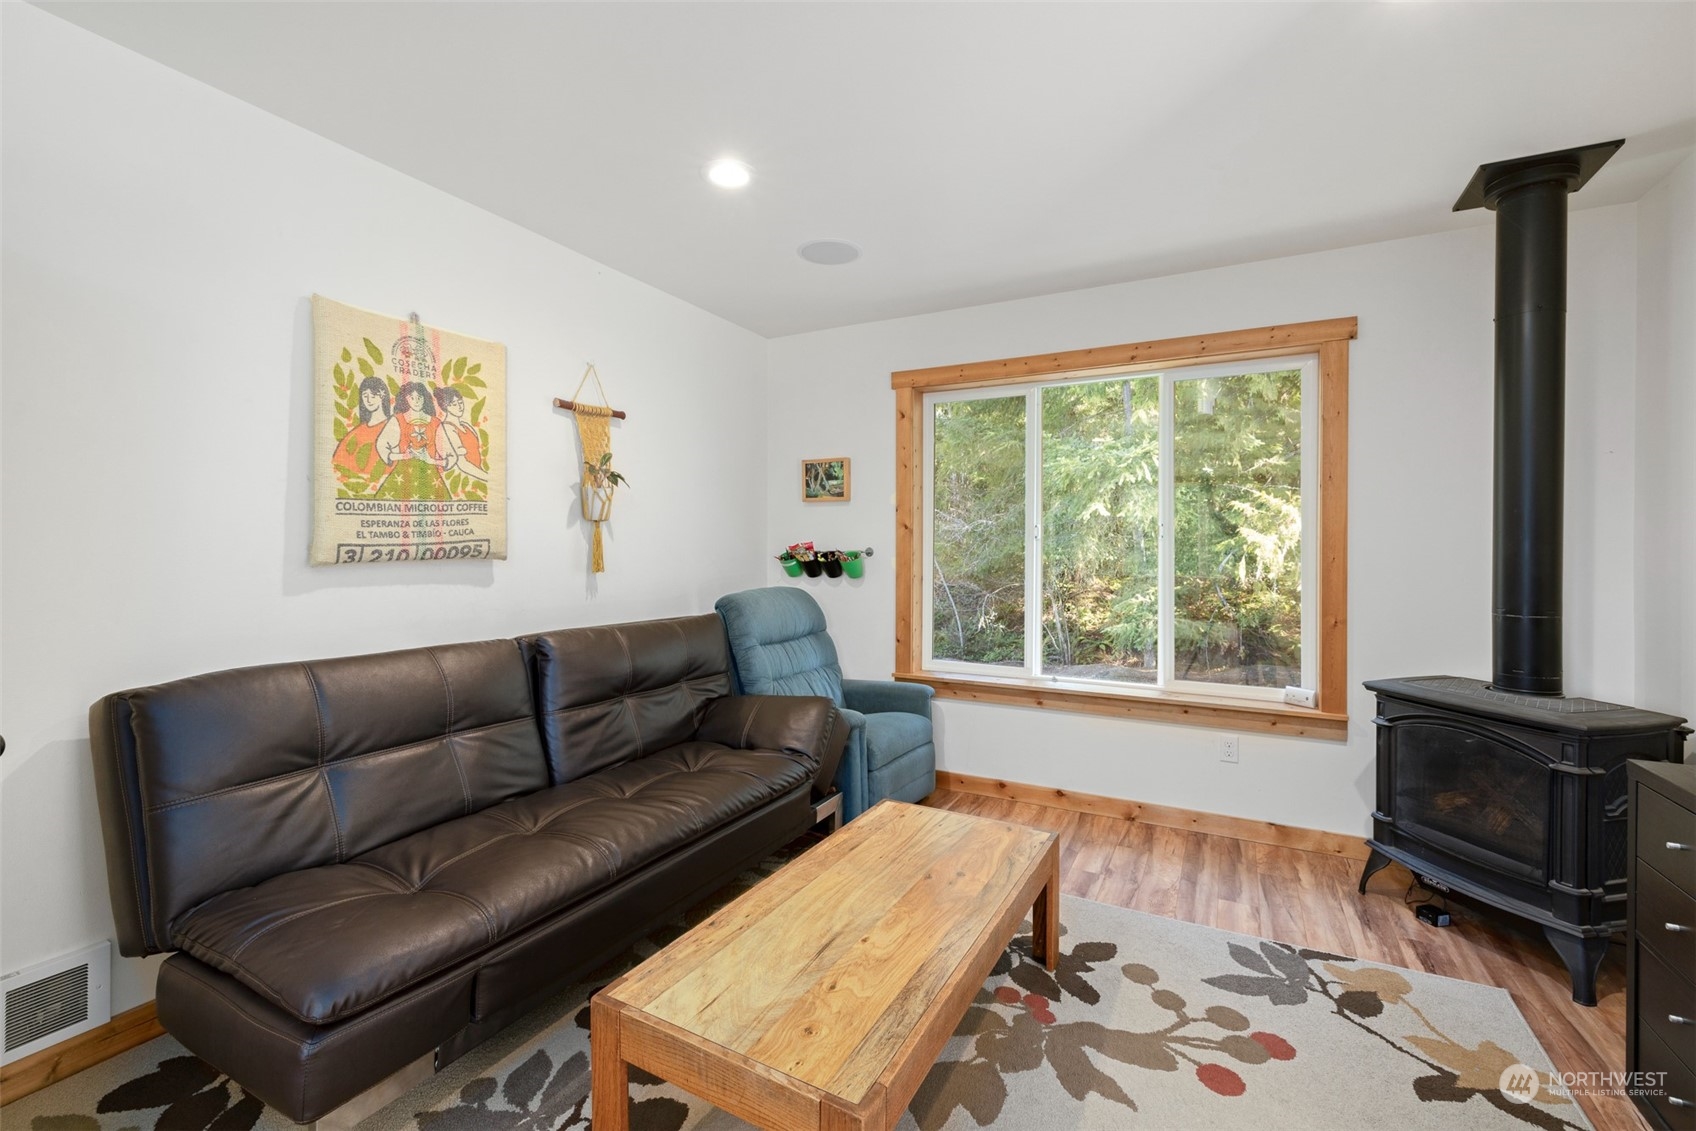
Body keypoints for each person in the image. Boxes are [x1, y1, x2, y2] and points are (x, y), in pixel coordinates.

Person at [374, 381, 451, 500]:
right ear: (406, 399)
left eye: (419, 397)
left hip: (430, 475)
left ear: (425, 398)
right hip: (402, 473)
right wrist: (402, 456)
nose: (416, 401)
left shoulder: (435, 423)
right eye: (412, 397)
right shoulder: (398, 419)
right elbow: (382, 445)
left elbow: (450, 455)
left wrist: (432, 461)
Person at [331, 377, 390, 484]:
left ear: (382, 396)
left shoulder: (392, 429)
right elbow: (337, 463)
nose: (368, 400)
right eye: (365, 396)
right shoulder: (357, 432)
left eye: (373, 396)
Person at [433, 386, 487, 483]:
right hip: (465, 478)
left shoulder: (466, 426)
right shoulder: (447, 428)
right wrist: (487, 478)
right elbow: (462, 464)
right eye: (454, 404)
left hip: (478, 473)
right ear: (446, 406)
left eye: (461, 403)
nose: (460, 407)